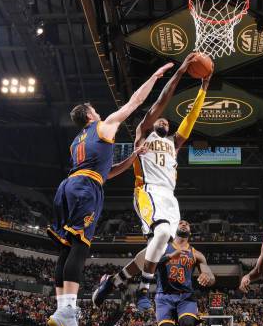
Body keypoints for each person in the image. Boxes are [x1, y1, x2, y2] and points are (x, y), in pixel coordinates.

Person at [46, 62, 173, 326]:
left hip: (68, 186)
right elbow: (135, 102)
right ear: (91, 114)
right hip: (85, 188)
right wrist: (153, 75)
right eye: (96, 110)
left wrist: (132, 159)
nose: (100, 113)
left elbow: (105, 171)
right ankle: (68, 312)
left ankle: (62, 309)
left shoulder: (76, 141)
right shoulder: (103, 126)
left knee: (66, 248)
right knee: (80, 246)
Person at [91, 53, 213, 309]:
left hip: (170, 197)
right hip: (147, 191)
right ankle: (144, 290)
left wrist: (204, 87)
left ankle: (114, 281)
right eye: (160, 118)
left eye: (167, 121)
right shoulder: (142, 134)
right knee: (161, 235)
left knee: (158, 248)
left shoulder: (174, 143)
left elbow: (192, 117)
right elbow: (161, 100)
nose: (164, 120)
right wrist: (180, 73)